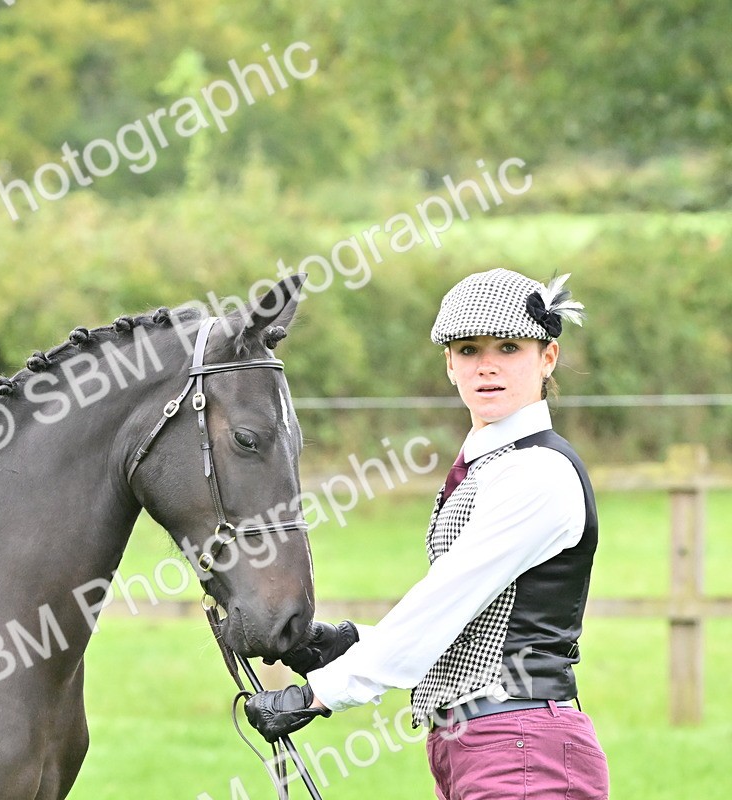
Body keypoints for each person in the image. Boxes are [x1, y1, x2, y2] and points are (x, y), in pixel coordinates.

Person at [246, 269, 609, 799]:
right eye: (467, 350)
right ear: (449, 363)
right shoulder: (488, 463)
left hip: (522, 746)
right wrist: (350, 642)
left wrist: (321, 693)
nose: (486, 367)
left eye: (509, 347)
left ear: (547, 356)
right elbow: (474, 629)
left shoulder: (538, 472)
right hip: (478, 744)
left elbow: (445, 601)